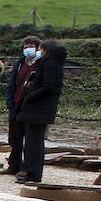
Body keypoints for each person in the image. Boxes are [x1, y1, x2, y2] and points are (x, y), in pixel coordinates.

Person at [13, 39, 67, 184]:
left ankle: (33, 173)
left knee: (34, 143)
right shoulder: (48, 64)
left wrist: (30, 95)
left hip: (38, 109)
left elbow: (48, 86)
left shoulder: (49, 65)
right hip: (38, 109)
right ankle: (29, 170)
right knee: (32, 141)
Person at [3, 35, 42, 174]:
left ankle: (27, 167)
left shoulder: (40, 64)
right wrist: (10, 102)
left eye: (31, 47)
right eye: (26, 47)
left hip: (30, 106)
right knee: (14, 138)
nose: (28, 50)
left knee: (30, 140)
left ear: (37, 48)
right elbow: (12, 84)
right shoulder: (19, 64)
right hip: (16, 104)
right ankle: (14, 165)